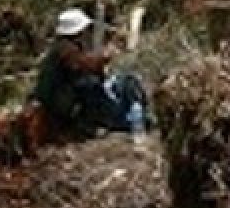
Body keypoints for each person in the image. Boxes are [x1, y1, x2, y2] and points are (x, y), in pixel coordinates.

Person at [31, 8, 146, 139]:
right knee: (91, 86)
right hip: (58, 100)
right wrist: (105, 56)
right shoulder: (64, 49)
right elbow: (85, 65)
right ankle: (88, 127)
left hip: (62, 95)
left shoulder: (68, 45)